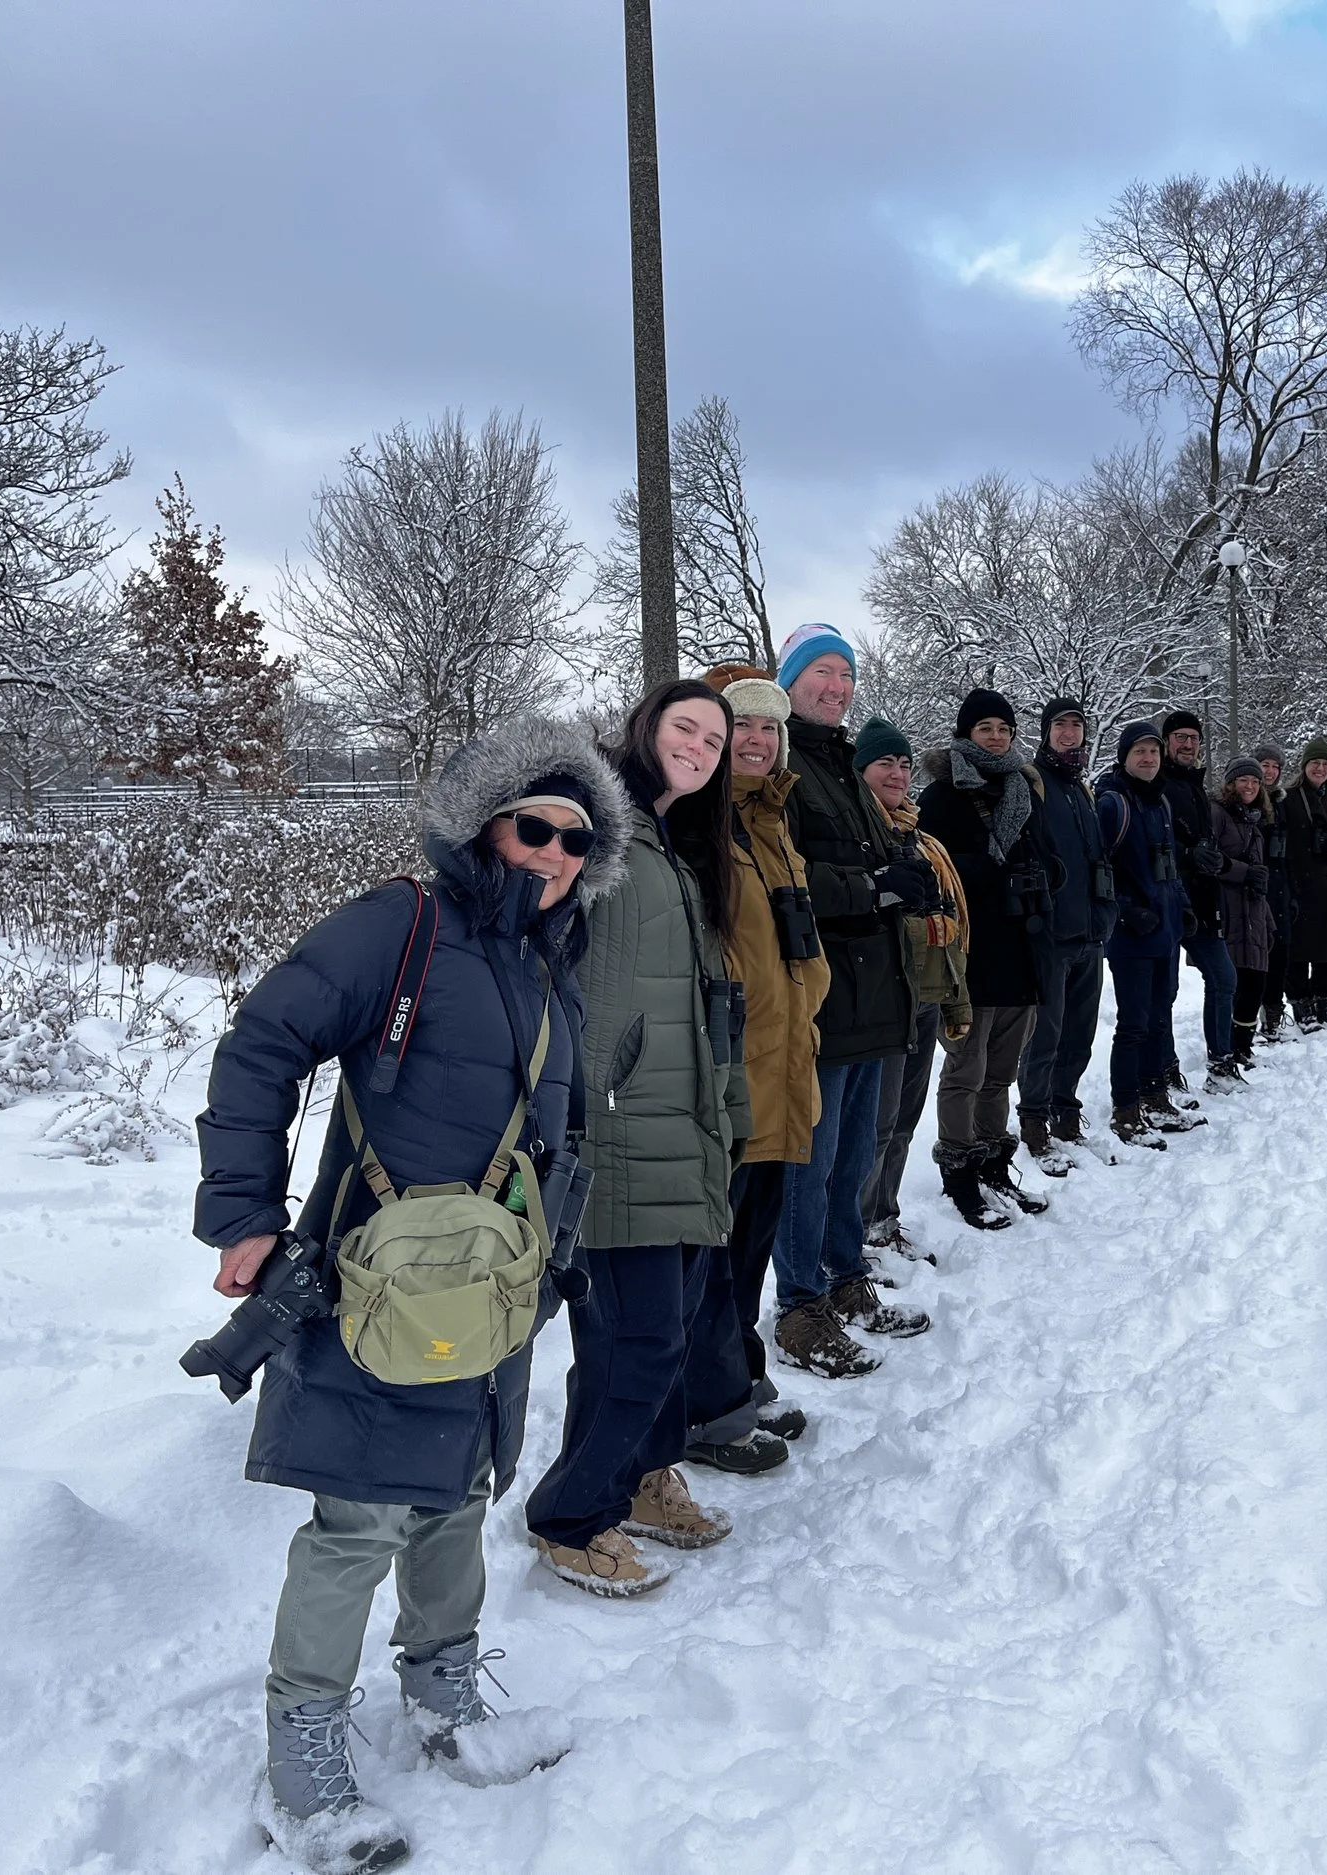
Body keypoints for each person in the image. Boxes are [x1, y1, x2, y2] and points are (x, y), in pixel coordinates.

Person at [194, 715, 630, 1871]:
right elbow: (262, 1042)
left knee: (456, 1493)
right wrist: (241, 1213)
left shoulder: (546, 956)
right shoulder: (404, 922)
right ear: (486, 823)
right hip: (377, 1280)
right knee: (357, 1520)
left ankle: (445, 1701)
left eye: (578, 841)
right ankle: (301, 1764)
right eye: (535, 828)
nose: (554, 855)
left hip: (491, 1285)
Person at [524, 680, 751, 1599]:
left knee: (670, 1327)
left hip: (680, 1121)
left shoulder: (670, 840)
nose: (699, 744)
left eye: (713, 737)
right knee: (636, 1341)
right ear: (645, 726)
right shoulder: (599, 822)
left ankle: (644, 1476)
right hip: (612, 1122)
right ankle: (571, 1516)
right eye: (684, 726)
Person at [682, 669, 829, 1475]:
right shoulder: (696, 827)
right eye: (739, 725)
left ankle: (738, 1375)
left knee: (749, 1248)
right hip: (729, 1077)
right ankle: (708, 1409)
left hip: (782, 1067)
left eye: (770, 729)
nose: (757, 740)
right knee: (715, 1252)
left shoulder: (771, 822)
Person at [775, 624, 932, 1374]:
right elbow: (786, 876)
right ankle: (798, 1305)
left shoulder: (839, 761)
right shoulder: (782, 759)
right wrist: (871, 886)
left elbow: (863, 858)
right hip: (821, 994)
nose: (836, 686)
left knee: (849, 1157)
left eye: (845, 674)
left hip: (874, 992)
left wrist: (898, 869)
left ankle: (844, 1279)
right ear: (791, 679)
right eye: (822, 673)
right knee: (810, 1159)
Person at [918, 686, 1057, 1226]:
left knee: (1001, 1071)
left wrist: (1047, 878)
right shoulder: (943, 794)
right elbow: (934, 868)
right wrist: (993, 875)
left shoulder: (1025, 787)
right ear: (965, 734)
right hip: (969, 953)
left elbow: (1046, 852)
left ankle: (995, 1162)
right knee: (965, 1068)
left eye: (1003, 728)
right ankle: (959, 1169)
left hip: (1021, 949)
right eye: (985, 729)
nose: (996, 737)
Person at [858, 715, 975, 1246]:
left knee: (905, 1118)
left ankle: (885, 1217)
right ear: (861, 770)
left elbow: (952, 923)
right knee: (875, 1127)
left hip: (926, 994)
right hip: (881, 1001)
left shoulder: (923, 841)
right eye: (885, 762)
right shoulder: (859, 836)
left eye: (905, 764)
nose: (898, 773)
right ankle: (858, 1231)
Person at [1015, 696, 1114, 1173]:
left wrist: (1107, 911)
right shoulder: (1032, 783)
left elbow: (1099, 858)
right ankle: (1033, 1117)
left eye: (1077, 726)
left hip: (1091, 933)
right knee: (1045, 1034)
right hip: (1052, 934)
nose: (1069, 734)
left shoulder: (1083, 790)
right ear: (1046, 732)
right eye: (1061, 726)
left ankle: (1065, 1109)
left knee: (1080, 1032)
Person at [1097, 720, 1201, 1145]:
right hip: (1131, 937)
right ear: (1124, 757)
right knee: (1134, 1024)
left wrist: (1184, 907)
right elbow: (1097, 870)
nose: (1148, 759)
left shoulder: (1160, 803)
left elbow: (1170, 866)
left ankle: (1155, 1096)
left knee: (1160, 1019)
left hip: (1166, 931)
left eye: (1154, 753)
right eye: (1139, 752)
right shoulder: (1111, 804)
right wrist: (1124, 911)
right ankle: (1125, 1110)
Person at [1155, 710, 1240, 1093]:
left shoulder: (1195, 787)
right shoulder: (1156, 783)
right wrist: (1187, 855)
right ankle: (1165, 1069)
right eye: (1180, 738)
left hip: (1203, 900)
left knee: (1224, 978)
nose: (1188, 745)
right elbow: (1151, 838)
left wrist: (1213, 859)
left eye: (1193, 738)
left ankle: (1221, 1063)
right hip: (1168, 901)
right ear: (1166, 741)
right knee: (1165, 991)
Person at [1279, 737, 1327, 1032]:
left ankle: (1325, 1003)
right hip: (1296, 882)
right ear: (1304, 766)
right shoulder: (1288, 798)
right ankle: (1302, 1006)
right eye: (1315, 763)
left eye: (1325, 764)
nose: (1320, 768)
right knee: (1296, 949)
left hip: (1326, 886)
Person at [1209, 758, 1277, 1072]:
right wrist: (1244, 873)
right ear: (1231, 783)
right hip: (1228, 909)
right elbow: (1210, 859)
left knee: (1255, 983)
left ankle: (1244, 1047)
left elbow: (1259, 875)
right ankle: (1227, 1049)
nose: (1249, 786)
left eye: (1255, 781)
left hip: (1254, 912)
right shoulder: (1218, 813)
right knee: (1232, 984)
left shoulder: (1254, 820)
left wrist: (1268, 920)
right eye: (1243, 781)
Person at [1250, 743, 1294, 1044]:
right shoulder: (1246, 800)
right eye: (1264, 764)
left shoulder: (1282, 803)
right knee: (1253, 956)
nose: (1269, 771)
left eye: (1275, 767)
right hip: (1251, 886)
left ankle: (1273, 1015)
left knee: (1280, 952)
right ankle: (1246, 1019)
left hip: (1280, 886)